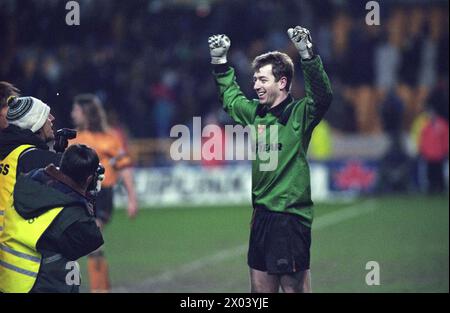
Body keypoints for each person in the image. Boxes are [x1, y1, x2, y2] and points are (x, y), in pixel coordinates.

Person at [209, 26, 332, 293]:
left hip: (289, 217)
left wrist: (307, 55)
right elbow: (230, 99)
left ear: (283, 82)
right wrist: (220, 63)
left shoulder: (301, 114)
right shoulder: (256, 113)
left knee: (293, 290)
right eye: (255, 80)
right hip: (262, 216)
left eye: (263, 80)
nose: (256, 86)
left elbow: (322, 96)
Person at [0, 144, 104, 293]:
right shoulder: (71, 215)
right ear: (88, 179)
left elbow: (54, 183)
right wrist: (88, 198)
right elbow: (91, 239)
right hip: (40, 283)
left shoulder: (27, 183)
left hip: (9, 280)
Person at [69, 94, 138, 293]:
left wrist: (132, 198)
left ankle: (99, 289)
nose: (72, 114)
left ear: (86, 113)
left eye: (76, 110)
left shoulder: (110, 138)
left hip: (103, 195)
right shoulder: (73, 138)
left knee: (94, 239)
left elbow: (124, 167)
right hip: (79, 198)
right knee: (89, 244)